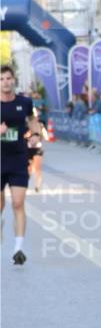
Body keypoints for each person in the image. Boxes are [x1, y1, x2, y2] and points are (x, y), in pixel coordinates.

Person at [1, 65, 43, 265]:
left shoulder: (24, 102)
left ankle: (18, 249)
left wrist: (35, 134)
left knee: (18, 203)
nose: (5, 82)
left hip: (18, 158)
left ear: (13, 80)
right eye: (2, 79)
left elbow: (33, 120)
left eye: (8, 78)